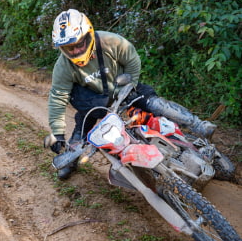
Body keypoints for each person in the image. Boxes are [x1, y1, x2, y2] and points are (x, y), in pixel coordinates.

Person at [47, 9, 216, 179]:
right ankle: (69, 161)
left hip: (124, 90)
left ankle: (199, 125)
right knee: (82, 130)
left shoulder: (110, 42)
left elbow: (132, 60)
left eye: (78, 44)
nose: (75, 51)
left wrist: (129, 86)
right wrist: (57, 133)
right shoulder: (63, 67)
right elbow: (57, 97)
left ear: (88, 34)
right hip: (93, 103)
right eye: (69, 47)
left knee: (155, 103)